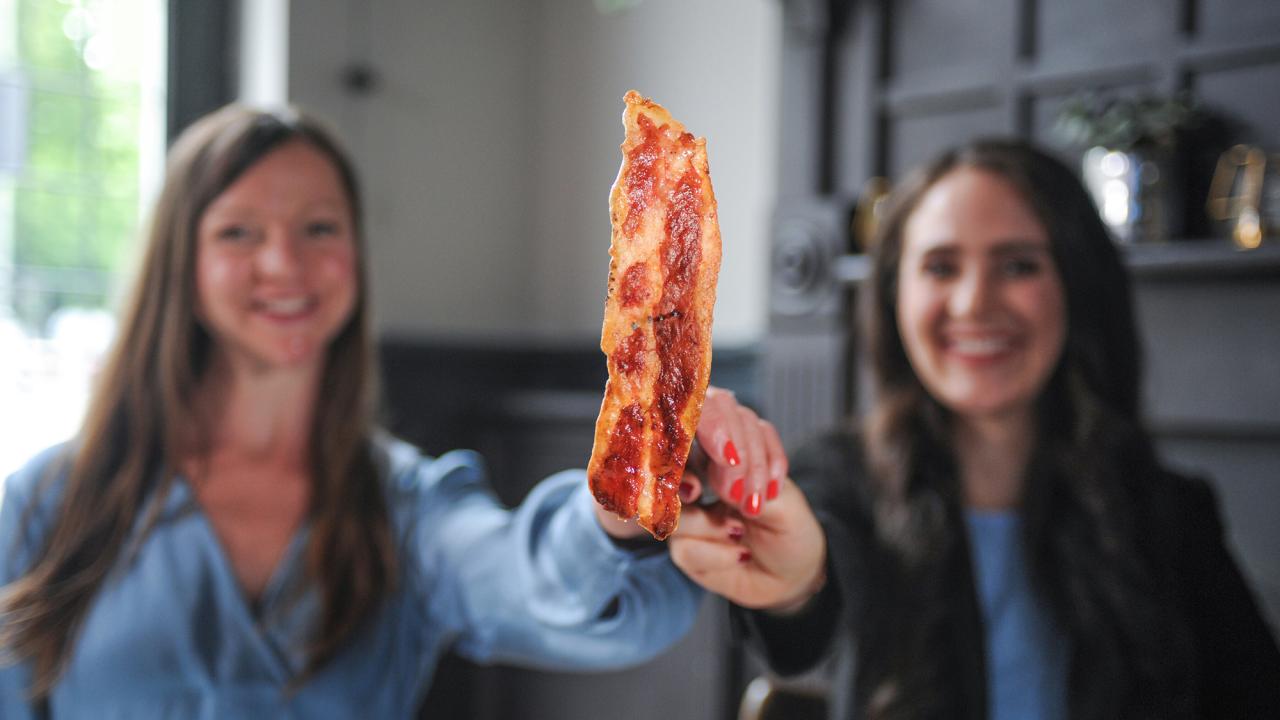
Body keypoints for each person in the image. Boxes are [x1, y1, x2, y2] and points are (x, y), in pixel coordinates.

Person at [0, 104, 787, 717]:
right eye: (239, 232)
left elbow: (527, 579)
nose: (285, 264)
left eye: (320, 228)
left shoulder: (405, 505)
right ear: (183, 263)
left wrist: (619, 501)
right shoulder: (46, 506)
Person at [670, 139, 1280, 719]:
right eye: (940, 267)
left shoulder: (1171, 512)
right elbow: (805, 607)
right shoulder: (839, 478)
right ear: (894, 297)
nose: (972, 304)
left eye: (1018, 265)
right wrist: (797, 584)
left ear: (1078, 285)